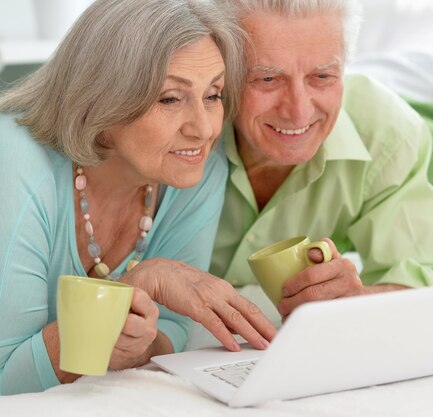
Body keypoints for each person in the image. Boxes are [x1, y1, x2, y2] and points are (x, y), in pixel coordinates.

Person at [0, 0, 276, 395]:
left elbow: (174, 328)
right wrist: (137, 285)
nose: (203, 129)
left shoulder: (195, 170)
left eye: (213, 95)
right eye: (169, 98)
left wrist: (135, 346)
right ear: (100, 99)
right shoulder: (12, 162)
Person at [211, 0, 433, 318]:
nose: (298, 111)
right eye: (268, 80)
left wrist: (358, 301)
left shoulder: (386, 133)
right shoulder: (172, 123)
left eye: (323, 76)